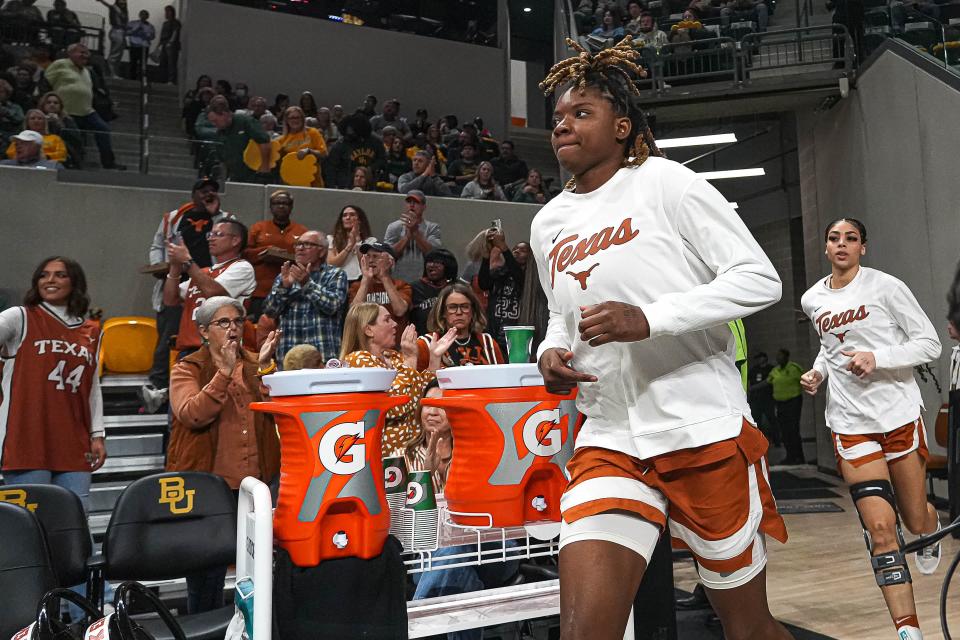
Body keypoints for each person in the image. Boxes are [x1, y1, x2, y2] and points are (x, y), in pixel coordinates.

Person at [533, 39, 789, 640]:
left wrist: (650, 318)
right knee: (586, 630)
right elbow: (559, 314)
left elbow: (760, 279)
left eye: (581, 113)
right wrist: (550, 351)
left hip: (699, 427)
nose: (563, 126)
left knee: (747, 628)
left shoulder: (669, 184)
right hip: (609, 436)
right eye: (557, 119)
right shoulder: (548, 223)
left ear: (622, 126)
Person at [799, 218, 941, 640]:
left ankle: (928, 530)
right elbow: (831, 349)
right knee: (880, 530)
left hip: (897, 416)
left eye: (851, 238)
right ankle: (908, 631)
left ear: (863, 247)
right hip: (849, 424)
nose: (842, 244)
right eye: (834, 238)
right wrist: (817, 372)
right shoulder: (812, 300)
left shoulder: (887, 287)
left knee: (913, 521)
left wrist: (876, 357)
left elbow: (929, 343)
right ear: (825, 248)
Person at [167, 296, 281, 614]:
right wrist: (224, 374)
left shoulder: (255, 363)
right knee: (206, 575)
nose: (232, 329)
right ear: (204, 331)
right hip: (209, 489)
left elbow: (275, 412)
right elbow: (191, 413)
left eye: (237, 322)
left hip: (258, 486)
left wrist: (265, 371)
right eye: (222, 323)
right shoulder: (187, 368)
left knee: (260, 569)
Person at [0, 256, 106, 510]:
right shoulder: (21, 317)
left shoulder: (92, 331)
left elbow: (92, 388)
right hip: (26, 436)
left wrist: (98, 434)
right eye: (44, 275)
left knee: (75, 521)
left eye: (60, 275)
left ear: (75, 282)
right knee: (31, 523)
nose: (50, 280)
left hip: (74, 439)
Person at [141, 179, 232, 413]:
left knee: (203, 339)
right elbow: (157, 245)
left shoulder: (224, 218)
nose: (208, 194)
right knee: (167, 340)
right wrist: (160, 266)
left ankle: (206, 386)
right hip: (177, 285)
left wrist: (214, 215)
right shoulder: (174, 217)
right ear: (193, 194)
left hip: (207, 287)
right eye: (203, 191)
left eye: (212, 190)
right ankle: (158, 390)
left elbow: (230, 240)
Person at [340, 302, 453, 455]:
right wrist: (410, 359)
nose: (394, 324)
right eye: (387, 320)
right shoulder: (357, 361)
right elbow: (395, 408)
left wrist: (434, 359)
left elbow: (418, 399)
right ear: (368, 330)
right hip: (386, 459)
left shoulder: (394, 358)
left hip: (412, 452)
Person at [163, 219, 256, 358]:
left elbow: (214, 293)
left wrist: (187, 261)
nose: (211, 239)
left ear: (235, 240)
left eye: (218, 234)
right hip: (190, 349)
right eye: (210, 235)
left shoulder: (242, 267)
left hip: (221, 350)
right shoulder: (202, 272)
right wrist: (175, 266)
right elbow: (170, 300)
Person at [262, 231, 348, 366]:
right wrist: (284, 287)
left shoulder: (335, 274)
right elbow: (270, 311)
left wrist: (307, 284)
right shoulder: (285, 276)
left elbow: (332, 306)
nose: (300, 248)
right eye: (298, 244)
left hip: (323, 357)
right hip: (289, 358)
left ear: (321, 252)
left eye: (307, 244)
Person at [44, 43, 124, 170]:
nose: (85, 55)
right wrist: (49, 105)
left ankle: (108, 162)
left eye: (87, 53)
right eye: (81, 52)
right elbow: (45, 82)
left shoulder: (88, 70)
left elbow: (96, 89)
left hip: (87, 110)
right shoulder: (60, 64)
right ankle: (75, 163)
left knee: (103, 129)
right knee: (74, 138)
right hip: (67, 111)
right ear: (70, 53)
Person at [243, 190, 308, 318]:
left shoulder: (302, 231)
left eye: (285, 203)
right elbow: (245, 254)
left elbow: (309, 257)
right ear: (271, 207)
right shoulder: (258, 228)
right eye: (277, 203)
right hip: (261, 291)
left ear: (291, 207)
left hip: (292, 289)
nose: (281, 206)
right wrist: (268, 250)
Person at [416, 282, 505, 369]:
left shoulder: (488, 342)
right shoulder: (425, 343)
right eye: (452, 307)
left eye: (465, 307)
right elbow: (416, 382)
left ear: (473, 311)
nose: (459, 312)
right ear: (442, 312)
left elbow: (502, 379)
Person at [348, 242, 412, 343]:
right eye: (368, 256)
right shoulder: (357, 286)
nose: (371, 260)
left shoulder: (401, 285)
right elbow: (354, 314)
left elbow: (400, 311)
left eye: (375, 256)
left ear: (390, 262)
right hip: (365, 346)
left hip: (395, 346)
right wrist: (365, 280)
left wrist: (384, 277)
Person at [478, 228, 528, 354]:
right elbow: (484, 284)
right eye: (515, 249)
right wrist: (486, 256)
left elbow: (519, 278)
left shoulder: (531, 277)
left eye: (522, 250)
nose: (517, 251)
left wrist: (504, 248)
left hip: (517, 333)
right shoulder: (502, 272)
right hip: (495, 329)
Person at [206, 95, 272, 183]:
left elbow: (264, 141)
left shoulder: (245, 121)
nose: (214, 124)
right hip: (235, 175)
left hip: (255, 173)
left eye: (215, 121)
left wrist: (265, 166)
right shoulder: (220, 133)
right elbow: (222, 161)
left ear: (224, 114)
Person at [383, 190, 443, 284]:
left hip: (423, 281)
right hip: (397, 280)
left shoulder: (432, 227)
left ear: (424, 207)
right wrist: (407, 237)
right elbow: (388, 256)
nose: (411, 205)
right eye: (409, 202)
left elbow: (433, 255)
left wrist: (415, 232)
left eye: (416, 202)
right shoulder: (394, 227)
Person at [323, 111, 385, 189]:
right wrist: (332, 187)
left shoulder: (375, 141)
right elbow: (330, 167)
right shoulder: (341, 144)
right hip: (345, 185)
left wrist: (371, 168)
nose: (349, 135)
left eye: (352, 133)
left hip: (369, 185)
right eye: (347, 132)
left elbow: (383, 159)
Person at [767, 348, 806, 465]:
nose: (778, 358)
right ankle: (789, 457)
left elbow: (804, 379)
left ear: (786, 357)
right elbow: (768, 382)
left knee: (793, 430)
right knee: (784, 431)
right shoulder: (775, 371)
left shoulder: (794, 368)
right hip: (780, 404)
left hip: (793, 402)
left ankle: (799, 457)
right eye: (777, 356)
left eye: (781, 356)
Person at [410, 249, 459, 336]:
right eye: (429, 262)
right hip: (423, 339)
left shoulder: (458, 288)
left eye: (437, 262)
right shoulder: (415, 288)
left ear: (448, 266)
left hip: (452, 337)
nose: (431, 265)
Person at [277, 105, 327, 188]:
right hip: (289, 182)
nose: (295, 120)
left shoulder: (312, 133)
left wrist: (309, 151)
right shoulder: (282, 140)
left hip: (313, 183)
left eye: (297, 117)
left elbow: (324, 153)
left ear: (302, 119)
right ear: (287, 120)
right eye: (292, 118)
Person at [327, 204, 376, 281]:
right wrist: (349, 246)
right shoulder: (331, 239)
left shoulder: (370, 241)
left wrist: (358, 242)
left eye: (352, 215)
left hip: (361, 281)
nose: (348, 218)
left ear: (360, 220)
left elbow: (366, 265)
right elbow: (332, 264)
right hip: (338, 280)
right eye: (344, 215)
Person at [38, 91, 83, 166]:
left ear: (60, 106)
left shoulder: (68, 120)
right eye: (48, 102)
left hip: (63, 155)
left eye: (56, 103)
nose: (52, 105)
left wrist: (60, 124)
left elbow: (77, 140)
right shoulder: (36, 118)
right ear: (43, 105)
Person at [748, 351, 779, 446]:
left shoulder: (771, 369)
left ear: (765, 358)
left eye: (760, 358)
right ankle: (759, 443)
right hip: (756, 400)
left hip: (768, 399)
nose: (758, 360)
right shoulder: (754, 369)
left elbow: (769, 381)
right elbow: (748, 381)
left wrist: (753, 388)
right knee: (756, 421)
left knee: (772, 420)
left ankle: (777, 441)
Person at [95, 0, 128, 78]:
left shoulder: (122, 10)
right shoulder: (115, 8)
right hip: (117, 31)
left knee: (118, 53)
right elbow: (109, 5)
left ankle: (113, 72)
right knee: (115, 53)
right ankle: (111, 73)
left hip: (121, 31)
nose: (123, 3)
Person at [125, 10, 155, 80]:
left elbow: (152, 36)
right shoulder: (132, 23)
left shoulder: (150, 26)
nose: (143, 16)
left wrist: (145, 35)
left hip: (144, 47)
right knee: (133, 63)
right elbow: (126, 32)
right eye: (142, 14)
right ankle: (132, 79)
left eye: (145, 15)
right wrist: (135, 30)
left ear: (147, 16)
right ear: (139, 15)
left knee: (143, 64)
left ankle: (142, 79)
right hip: (134, 46)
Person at [156, 5, 181, 84]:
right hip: (164, 43)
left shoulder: (175, 22)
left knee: (171, 62)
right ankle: (162, 79)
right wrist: (158, 45)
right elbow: (162, 35)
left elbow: (175, 32)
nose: (166, 13)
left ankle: (171, 79)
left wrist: (171, 41)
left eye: (168, 11)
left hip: (171, 44)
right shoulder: (165, 23)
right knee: (162, 62)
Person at [0, 79, 25, 146]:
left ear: (7, 93)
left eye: (1, 92)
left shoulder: (15, 107)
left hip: (11, 136)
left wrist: (6, 113)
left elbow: (21, 119)